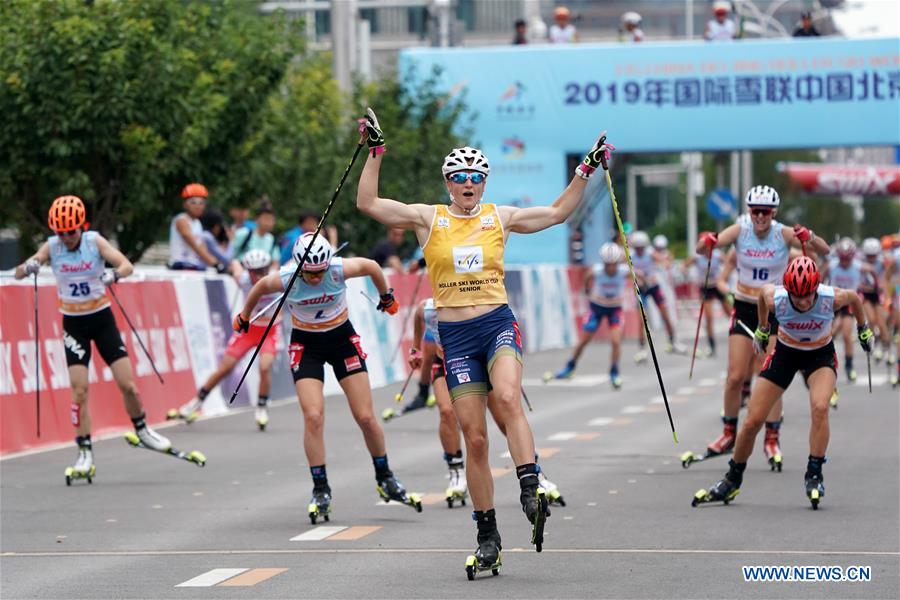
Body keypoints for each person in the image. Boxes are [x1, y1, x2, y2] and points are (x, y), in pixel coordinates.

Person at [356, 106, 610, 572]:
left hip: (496, 324)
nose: (467, 183)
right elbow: (369, 205)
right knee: (473, 439)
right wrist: (375, 152)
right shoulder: (427, 218)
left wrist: (585, 169)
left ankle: (530, 488)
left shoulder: (501, 217)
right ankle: (487, 533)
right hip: (454, 334)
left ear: (485, 182)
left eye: (475, 176)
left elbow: (556, 212)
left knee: (509, 398)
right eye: (458, 177)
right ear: (447, 183)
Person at [233, 232, 417, 523]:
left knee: (366, 417)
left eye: (321, 272)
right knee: (314, 417)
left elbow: (371, 265)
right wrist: (244, 316)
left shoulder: (337, 269)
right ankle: (320, 489)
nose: (317, 278)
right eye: (311, 273)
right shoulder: (286, 277)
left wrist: (386, 296)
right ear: (300, 266)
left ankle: (385, 476)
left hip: (341, 339)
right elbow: (259, 287)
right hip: (307, 346)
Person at [693, 257, 873, 509]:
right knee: (753, 421)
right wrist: (763, 329)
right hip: (785, 354)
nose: (801, 301)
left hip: (819, 355)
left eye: (806, 296)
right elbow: (762, 297)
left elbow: (855, 298)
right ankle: (732, 480)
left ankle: (814, 473)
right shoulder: (776, 297)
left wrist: (864, 329)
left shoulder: (830, 298)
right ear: (787, 290)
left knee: (820, 407)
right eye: (795, 296)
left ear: (815, 289)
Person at [15, 196, 173, 481]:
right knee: (79, 392)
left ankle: (143, 429)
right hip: (73, 325)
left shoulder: (94, 241)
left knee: (127, 385)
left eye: (71, 231)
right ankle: (84, 451)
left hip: (102, 320)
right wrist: (30, 266)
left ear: (81, 227)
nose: (66, 238)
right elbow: (19, 272)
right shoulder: (52, 247)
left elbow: (127, 265)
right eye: (61, 233)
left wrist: (114, 275)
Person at [690, 186, 829, 471]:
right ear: (749, 211)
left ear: (774, 212)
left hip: (777, 311)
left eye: (766, 212)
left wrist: (809, 237)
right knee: (735, 376)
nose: (761, 217)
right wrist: (707, 241)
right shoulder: (740, 230)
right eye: (756, 211)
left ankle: (772, 438)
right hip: (744, 308)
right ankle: (729, 433)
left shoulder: (783, 233)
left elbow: (824, 251)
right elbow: (702, 248)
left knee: (769, 375)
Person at [407, 297, 566, 508]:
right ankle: (456, 475)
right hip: (445, 362)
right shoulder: (426, 308)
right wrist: (415, 349)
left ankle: (537, 474)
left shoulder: (471, 301)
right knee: (446, 412)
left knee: (503, 419)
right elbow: (418, 321)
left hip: (474, 360)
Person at [170, 249, 282, 430]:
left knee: (264, 366)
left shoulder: (277, 280)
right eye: (255, 271)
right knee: (225, 368)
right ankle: (196, 402)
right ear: (249, 271)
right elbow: (235, 265)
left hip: (270, 329)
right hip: (249, 329)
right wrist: (231, 264)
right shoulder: (244, 279)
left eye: (263, 270)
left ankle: (261, 407)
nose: (260, 275)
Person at [545, 242, 629, 388]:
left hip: (615, 309)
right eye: (607, 264)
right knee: (584, 340)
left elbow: (639, 275)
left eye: (613, 264)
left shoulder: (624, 271)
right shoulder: (597, 271)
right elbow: (587, 277)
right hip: (597, 308)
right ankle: (570, 367)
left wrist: (643, 283)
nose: (610, 268)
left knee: (615, 341)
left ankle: (614, 372)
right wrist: (586, 290)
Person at [630, 230, 686, 362]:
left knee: (665, 314)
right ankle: (642, 348)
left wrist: (666, 263)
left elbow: (663, 260)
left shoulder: (649, 252)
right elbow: (623, 265)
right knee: (642, 319)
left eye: (641, 248)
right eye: (637, 248)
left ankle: (673, 341)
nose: (639, 251)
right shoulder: (631, 255)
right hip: (640, 289)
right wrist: (637, 274)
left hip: (654, 287)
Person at [821, 238, 865, 384]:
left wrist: (876, 288)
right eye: (842, 259)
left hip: (848, 302)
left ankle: (849, 366)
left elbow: (873, 272)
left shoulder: (858, 267)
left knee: (847, 334)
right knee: (828, 333)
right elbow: (820, 279)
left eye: (848, 259)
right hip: (832, 302)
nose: (845, 262)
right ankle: (823, 361)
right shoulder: (832, 266)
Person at [683, 246, 732, 357]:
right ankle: (712, 346)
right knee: (709, 318)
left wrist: (724, 277)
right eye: (705, 248)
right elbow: (684, 266)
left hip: (717, 286)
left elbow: (730, 263)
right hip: (705, 288)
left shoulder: (717, 254)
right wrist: (685, 273)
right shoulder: (697, 257)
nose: (707, 251)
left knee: (730, 313)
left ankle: (738, 338)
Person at [169, 183, 226, 272]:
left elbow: (202, 247)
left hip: (194, 265)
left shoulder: (197, 223)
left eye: (201, 203)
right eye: (193, 202)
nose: (197, 206)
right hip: (181, 265)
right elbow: (196, 246)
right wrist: (216, 264)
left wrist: (218, 264)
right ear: (185, 205)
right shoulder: (181, 220)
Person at [858, 237, 892, 365]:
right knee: (871, 320)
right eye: (869, 256)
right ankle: (875, 343)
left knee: (882, 323)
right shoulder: (861, 263)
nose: (871, 258)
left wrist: (884, 290)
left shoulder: (882, 263)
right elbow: (859, 281)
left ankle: (887, 349)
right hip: (866, 295)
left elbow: (885, 279)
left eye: (873, 256)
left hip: (877, 294)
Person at [230, 199, 279, 276]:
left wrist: (270, 274)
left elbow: (275, 262)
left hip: (263, 276)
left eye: (271, 220)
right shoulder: (243, 234)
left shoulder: (271, 239)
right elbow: (231, 255)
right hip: (242, 274)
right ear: (256, 220)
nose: (268, 222)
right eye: (266, 219)